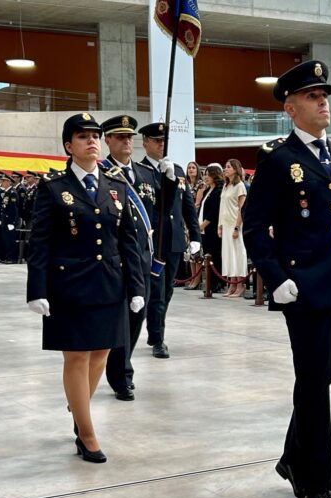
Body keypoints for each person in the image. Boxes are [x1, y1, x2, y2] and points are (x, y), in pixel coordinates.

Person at [243, 60, 331, 498]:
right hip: (304, 290)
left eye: (324, 95)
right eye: (313, 96)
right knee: (313, 385)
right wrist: (275, 277)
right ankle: (318, 487)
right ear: (291, 107)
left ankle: (293, 457)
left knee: (323, 378)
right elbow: (254, 227)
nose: (323, 102)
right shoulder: (277, 159)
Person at [26, 113, 146, 462]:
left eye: (95, 135)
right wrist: (37, 289)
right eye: (83, 136)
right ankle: (87, 434)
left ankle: (78, 409)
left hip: (110, 283)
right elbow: (40, 243)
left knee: (101, 353)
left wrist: (137, 286)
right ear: (68, 146)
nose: (92, 141)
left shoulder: (116, 186)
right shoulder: (53, 189)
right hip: (69, 286)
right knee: (77, 356)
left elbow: (128, 241)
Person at [101, 114, 172, 401]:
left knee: (137, 317)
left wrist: (168, 182)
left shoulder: (144, 175)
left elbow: (161, 213)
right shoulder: (101, 173)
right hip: (115, 260)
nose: (126, 141)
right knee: (120, 320)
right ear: (107, 140)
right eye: (119, 137)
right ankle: (121, 376)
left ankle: (120, 367)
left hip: (142, 259)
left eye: (129, 137)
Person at [139, 122, 202, 359]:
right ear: (145, 143)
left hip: (174, 240)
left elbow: (187, 207)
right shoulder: (140, 170)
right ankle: (159, 338)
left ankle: (155, 331)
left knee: (166, 292)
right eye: (156, 140)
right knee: (156, 291)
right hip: (155, 241)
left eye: (164, 140)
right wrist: (164, 180)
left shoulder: (177, 169)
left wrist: (194, 236)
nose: (161, 144)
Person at [218, 159, 248, 297]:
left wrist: (237, 226)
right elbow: (222, 207)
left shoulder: (240, 186)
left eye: (228, 167)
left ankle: (240, 285)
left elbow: (241, 208)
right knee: (228, 255)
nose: (226, 169)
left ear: (236, 169)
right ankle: (231, 284)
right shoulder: (226, 186)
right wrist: (220, 225)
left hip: (235, 224)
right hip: (226, 224)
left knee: (237, 254)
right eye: (225, 166)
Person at [198, 165, 223, 288]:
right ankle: (210, 281)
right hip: (204, 228)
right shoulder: (207, 191)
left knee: (215, 254)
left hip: (212, 227)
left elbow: (214, 211)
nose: (206, 177)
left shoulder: (218, 191)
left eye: (209, 174)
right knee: (208, 254)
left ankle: (217, 281)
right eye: (205, 174)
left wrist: (203, 225)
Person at [186, 161, 206, 290]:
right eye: (189, 168)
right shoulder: (186, 184)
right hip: (185, 217)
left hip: (195, 216)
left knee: (196, 250)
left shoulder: (200, 184)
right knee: (189, 251)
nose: (191, 170)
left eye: (193, 168)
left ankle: (197, 279)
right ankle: (192, 277)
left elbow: (197, 203)